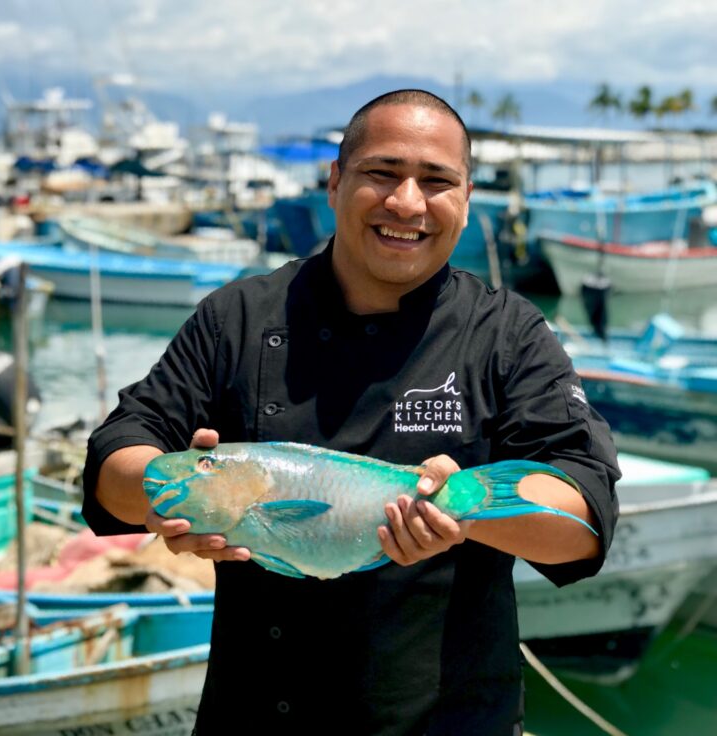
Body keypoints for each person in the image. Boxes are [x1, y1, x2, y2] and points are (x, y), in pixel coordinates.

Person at [82, 90, 620, 735]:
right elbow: (115, 456)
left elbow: (583, 511)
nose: (408, 203)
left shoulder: (506, 332)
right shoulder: (240, 317)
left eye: (437, 181)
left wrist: (461, 510)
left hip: (447, 721)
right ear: (335, 182)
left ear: (467, 199)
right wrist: (176, 499)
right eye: (382, 173)